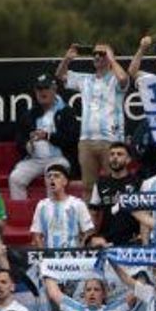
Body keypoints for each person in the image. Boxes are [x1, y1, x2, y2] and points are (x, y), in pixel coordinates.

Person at [54, 42, 128, 195]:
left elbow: (123, 79)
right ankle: (90, 219)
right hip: (86, 140)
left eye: (102, 54)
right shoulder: (85, 79)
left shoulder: (115, 78)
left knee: (114, 184)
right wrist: (67, 59)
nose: (97, 56)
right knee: (88, 187)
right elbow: (60, 76)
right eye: (94, 53)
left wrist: (112, 59)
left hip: (110, 140)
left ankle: (113, 218)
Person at [10, 75, 69, 200]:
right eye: (39, 89)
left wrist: (47, 136)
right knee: (15, 178)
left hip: (58, 158)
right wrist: (28, 144)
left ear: (54, 89)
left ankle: (53, 217)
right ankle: (21, 215)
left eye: (46, 88)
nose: (42, 92)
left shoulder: (65, 111)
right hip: (35, 160)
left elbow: (71, 139)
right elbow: (20, 139)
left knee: (52, 177)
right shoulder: (30, 114)